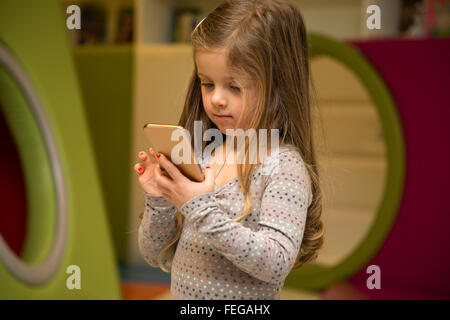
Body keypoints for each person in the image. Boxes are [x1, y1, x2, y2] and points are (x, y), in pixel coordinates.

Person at [134, 0, 324, 300]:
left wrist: (200, 208)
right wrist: (161, 200)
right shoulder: (205, 152)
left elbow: (275, 263)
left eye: (234, 87)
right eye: (207, 84)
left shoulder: (283, 166)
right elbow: (151, 251)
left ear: (278, 86)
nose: (216, 99)